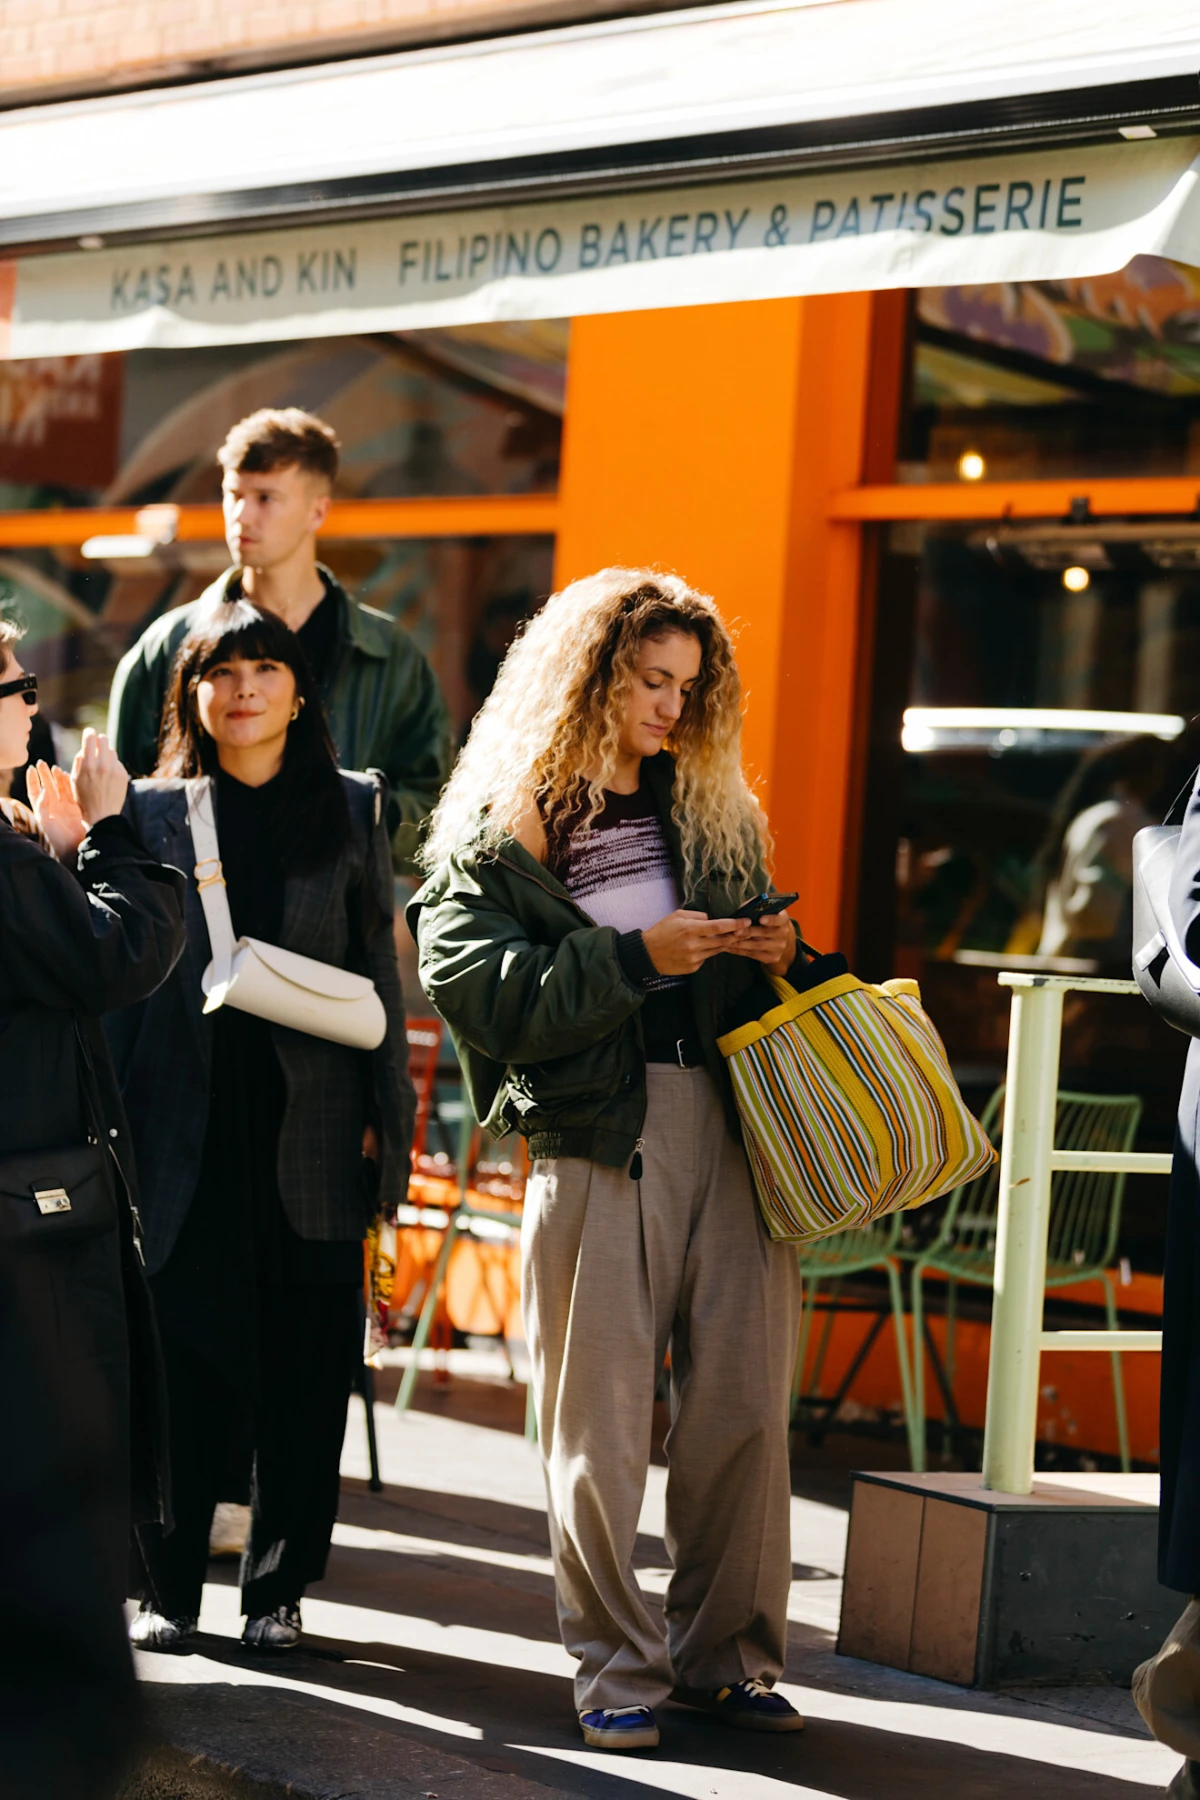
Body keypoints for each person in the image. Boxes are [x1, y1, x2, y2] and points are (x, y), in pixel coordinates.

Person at [410, 568, 806, 1751]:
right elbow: (475, 986)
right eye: (650, 680)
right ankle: (615, 1667)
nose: (672, 707)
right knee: (599, 1423)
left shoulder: (710, 803)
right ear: (589, 674)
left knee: (743, 1403)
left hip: (733, 1125)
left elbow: (730, 960)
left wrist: (775, 944)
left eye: (689, 685)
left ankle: (728, 1657)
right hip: (599, 1136)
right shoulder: (513, 818)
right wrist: (636, 960)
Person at [106, 601, 415, 1652]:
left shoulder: (353, 805)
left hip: (318, 1126)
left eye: (265, 668)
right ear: (191, 692)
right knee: (183, 1367)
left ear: (298, 688)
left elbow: (380, 972)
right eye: (220, 670)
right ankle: (166, 1590)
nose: (243, 687)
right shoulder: (152, 815)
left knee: (303, 1371)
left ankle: (280, 1590)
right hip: (182, 1123)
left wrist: (392, 1130)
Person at [0, 620, 186, 1659]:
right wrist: (113, 839)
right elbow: (116, 956)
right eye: (18, 687)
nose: (33, 705)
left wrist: (58, 859)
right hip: (26, 1212)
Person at [107, 407, 450, 871]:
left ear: (318, 511)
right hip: (191, 922)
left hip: (335, 927)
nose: (242, 515)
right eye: (233, 495)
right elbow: (117, 805)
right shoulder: (168, 645)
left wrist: (344, 811)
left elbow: (436, 819)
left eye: (266, 498)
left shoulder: (390, 654)